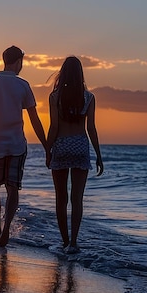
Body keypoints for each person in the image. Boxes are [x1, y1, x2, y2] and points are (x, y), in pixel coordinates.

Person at [0, 45, 47, 247]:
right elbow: (34, 119)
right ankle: (6, 230)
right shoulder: (23, 85)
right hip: (16, 145)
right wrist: (47, 145)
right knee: (13, 188)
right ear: (19, 61)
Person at [46, 55, 103, 253]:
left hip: (61, 146)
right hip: (80, 146)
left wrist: (48, 150)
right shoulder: (89, 97)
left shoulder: (55, 97)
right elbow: (92, 129)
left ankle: (63, 241)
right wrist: (99, 155)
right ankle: (74, 243)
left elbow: (53, 127)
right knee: (77, 199)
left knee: (60, 198)